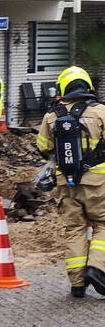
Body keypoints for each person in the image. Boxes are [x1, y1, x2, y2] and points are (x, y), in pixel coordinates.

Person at [36, 66, 105, 298]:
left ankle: (77, 284)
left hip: (66, 182)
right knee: (103, 224)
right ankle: (96, 268)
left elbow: (43, 147)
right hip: (98, 183)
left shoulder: (52, 115)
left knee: (74, 229)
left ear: (64, 87)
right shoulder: (101, 112)